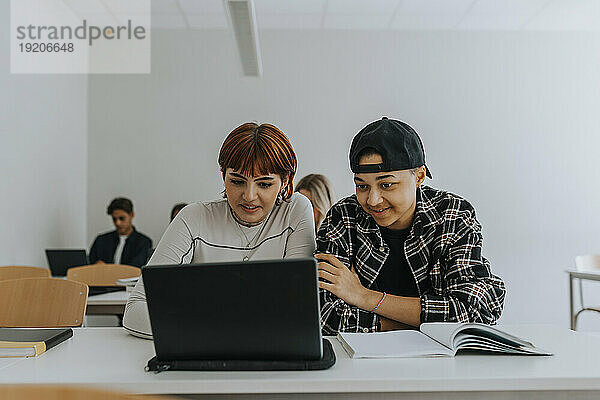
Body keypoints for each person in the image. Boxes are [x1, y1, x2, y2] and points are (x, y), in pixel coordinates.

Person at [123, 122, 316, 339]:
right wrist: (220, 333)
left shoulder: (296, 210)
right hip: (204, 356)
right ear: (223, 175)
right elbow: (135, 310)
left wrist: (205, 325)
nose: (249, 196)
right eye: (237, 181)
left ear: (285, 181)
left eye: (264, 184)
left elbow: (297, 309)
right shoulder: (193, 218)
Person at [315, 117, 505, 334]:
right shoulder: (343, 217)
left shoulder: (453, 214)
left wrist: (364, 297)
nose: (372, 200)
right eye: (362, 186)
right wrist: (422, 325)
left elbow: (474, 311)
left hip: (445, 364)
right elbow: (323, 315)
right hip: (361, 363)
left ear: (419, 176)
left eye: (387, 185)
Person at [89, 197, 152, 268]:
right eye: (114, 219)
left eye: (122, 218)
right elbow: (90, 265)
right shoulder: (101, 240)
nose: (117, 223)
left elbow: (135, 268)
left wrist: (107, 269)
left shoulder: (143, 242)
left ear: (131, 215)